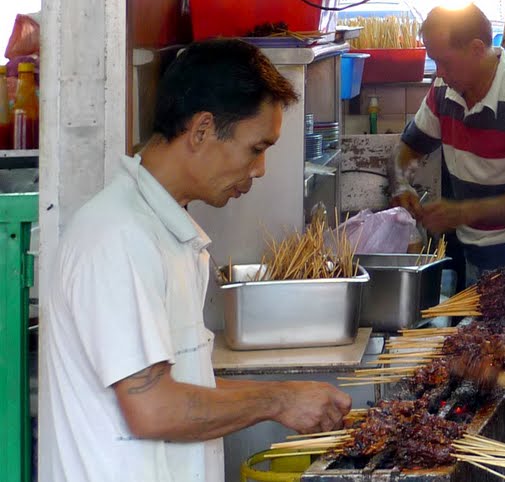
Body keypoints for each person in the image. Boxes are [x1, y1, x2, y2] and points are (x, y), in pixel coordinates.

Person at [39, 38, 351, 482]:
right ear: (202, 129)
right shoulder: (117, 235)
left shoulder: (167, 234)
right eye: (256, 148)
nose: (260, 169)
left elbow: (180, 386)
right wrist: (276, 400)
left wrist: (285, 397)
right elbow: (153, 408)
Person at [390, 4, 505, 279]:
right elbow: (409, 147)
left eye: (445, 62)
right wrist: (401, 182)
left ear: (477, 49)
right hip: (472, 254)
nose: (438, 73)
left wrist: (465, 212)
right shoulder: (444, 91)